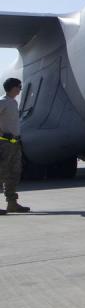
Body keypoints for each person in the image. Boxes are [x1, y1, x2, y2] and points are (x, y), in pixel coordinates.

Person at [0, 78, 29, 214]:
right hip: (4, 143)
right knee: (1, 173)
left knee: (14, 173)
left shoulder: (13, 102)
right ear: (12, 88)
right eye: (18, 87)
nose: (20, 89)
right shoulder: (3, 102)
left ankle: (12, 203)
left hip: (14, 143)